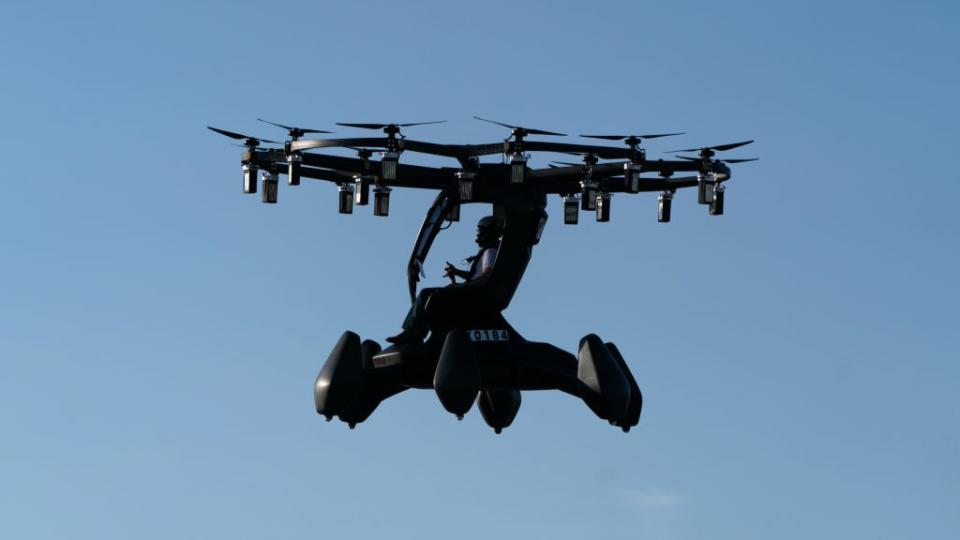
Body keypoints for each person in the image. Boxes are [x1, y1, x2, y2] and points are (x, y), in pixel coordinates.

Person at [386, 216, 504, 345]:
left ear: (491, 232)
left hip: (472, 296)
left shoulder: (490, 252)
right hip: (472, 293)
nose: (479, 234)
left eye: (482, 231)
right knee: (430, 296)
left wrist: (460, 287)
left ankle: (412, 332)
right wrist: (457, 273)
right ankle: (416, 333)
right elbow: (477, 276)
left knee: (426, 294)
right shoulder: (488, 252)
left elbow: (487, 277)